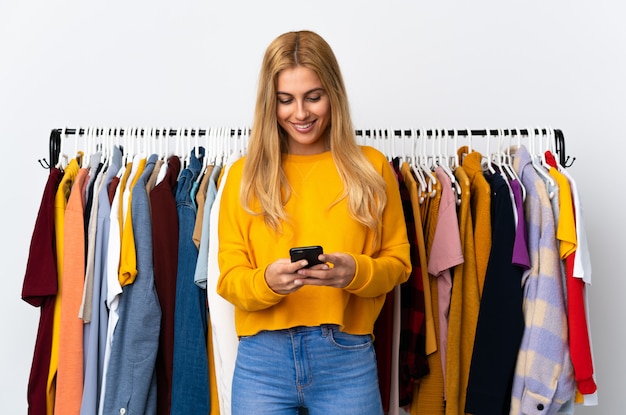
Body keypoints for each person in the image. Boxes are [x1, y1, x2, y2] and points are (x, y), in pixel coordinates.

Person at [217, 30, 412, 415]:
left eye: (313, 97)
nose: (300, 114)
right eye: (285, 100)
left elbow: (399, 264)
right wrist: (267, 282)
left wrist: (354, 272)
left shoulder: (371, 168)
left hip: (347, 358)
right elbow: (228, 279)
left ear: (333, 94)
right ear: (269, 103)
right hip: (261, 361)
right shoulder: (244, 175)